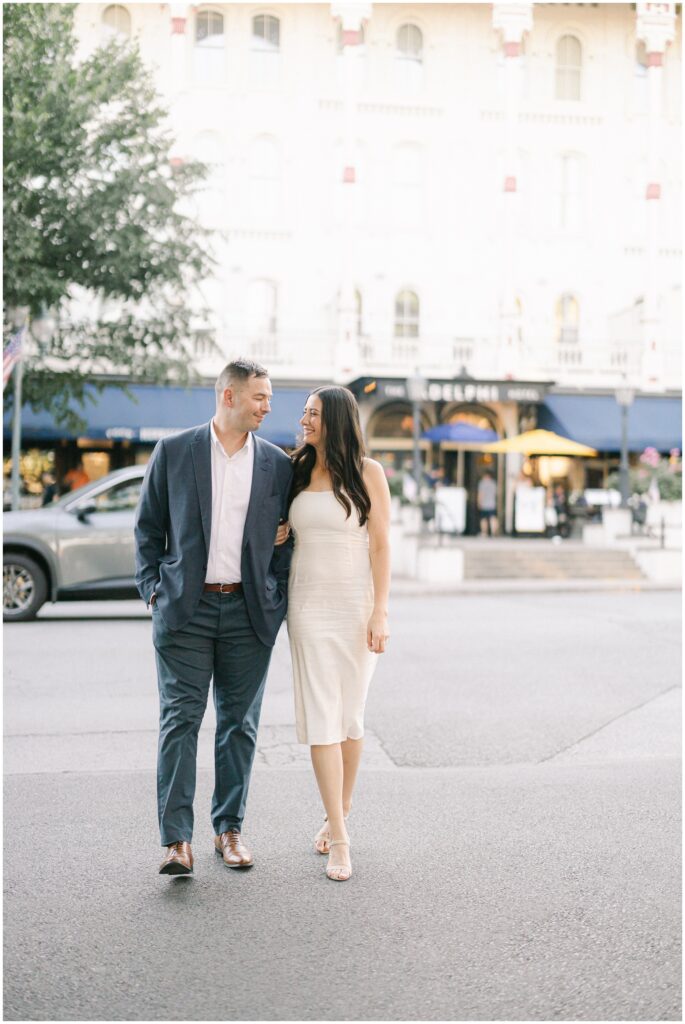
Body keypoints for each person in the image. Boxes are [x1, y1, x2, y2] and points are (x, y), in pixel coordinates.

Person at [134, 358, 293, 877]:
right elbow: (148, 527)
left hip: (249, 611)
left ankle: (229, 831)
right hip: (186, 609)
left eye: (268, 397)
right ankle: (176, 842)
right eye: (260, 397)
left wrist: (276, 593)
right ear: (229, 396)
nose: (268, 406)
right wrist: (152, 590)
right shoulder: (175, 451)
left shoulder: (277, 463)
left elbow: (288, 539)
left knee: (238, 727)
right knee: (180, 721)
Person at [286, 386, 391, 882]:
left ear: (336, 420)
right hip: (306, 606)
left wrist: (380, 613)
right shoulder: (294, 469)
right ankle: (342, 841)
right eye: (304, 412)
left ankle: (338, 811)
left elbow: (382, 546)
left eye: (313, 413)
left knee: (350, 718)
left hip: (355, 607)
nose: (304, 419)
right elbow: (271, 531)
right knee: (321, 718)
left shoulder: (369, 473)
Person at [477, 470, 498, 536]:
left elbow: (481, 494)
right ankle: (494, 532)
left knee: (483, 519)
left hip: (484, 504)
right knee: (493, 518)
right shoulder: (493, 483)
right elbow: (496, 493)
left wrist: (479, 502)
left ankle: (484, 532)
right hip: (492, 504)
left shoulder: (482, 483)